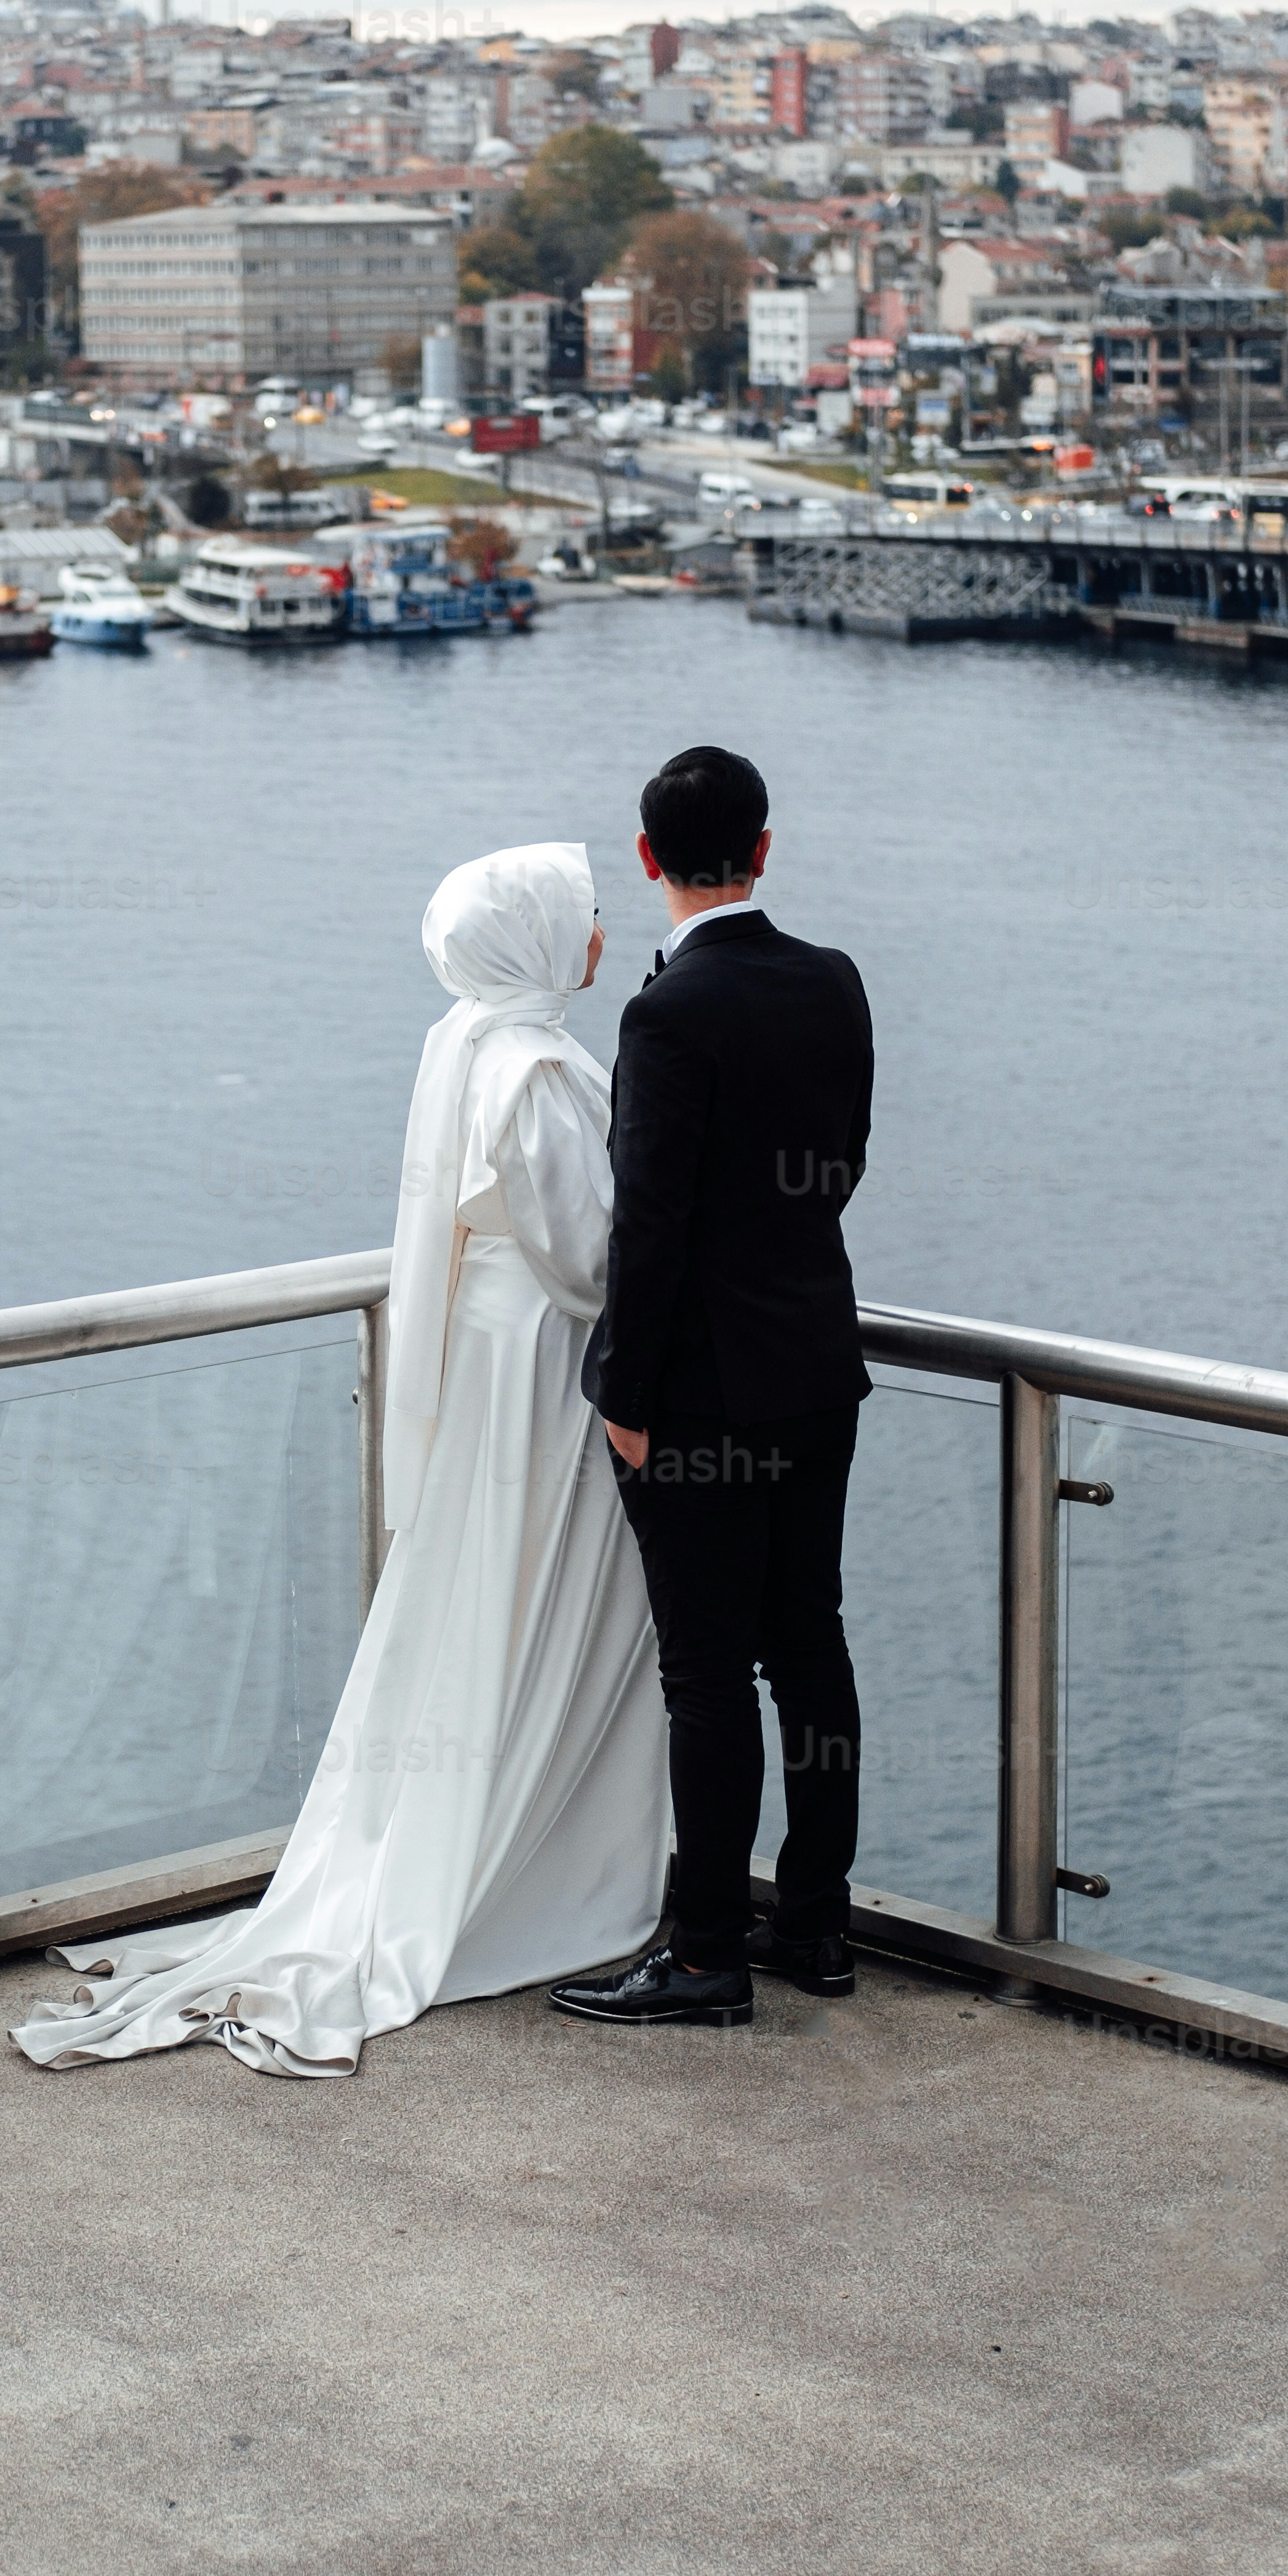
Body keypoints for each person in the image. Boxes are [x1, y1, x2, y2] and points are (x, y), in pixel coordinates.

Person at [9, 841, 666, 2079]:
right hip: (540, 1357)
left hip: (491, 1351)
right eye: (580, 916)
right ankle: (548, 1867)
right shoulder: (529, 1067)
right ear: (535, 938)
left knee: (487, 1596)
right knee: (546, 1594)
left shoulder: (466, 1042)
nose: (594, 934)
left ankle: (491, 1838)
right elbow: (584, 1254)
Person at [553, 744, 875, 2031]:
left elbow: (650, 1227)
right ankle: (816, 1923)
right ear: (764, 847)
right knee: (810, 1642)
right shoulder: (832, 980)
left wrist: (625, 1391)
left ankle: (702, 1952)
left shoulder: (666, 1013)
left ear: (646, 859)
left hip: (700, 1394)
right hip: (816, 1365)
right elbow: (837, 1164)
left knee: (704, 1672)